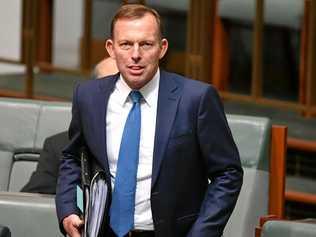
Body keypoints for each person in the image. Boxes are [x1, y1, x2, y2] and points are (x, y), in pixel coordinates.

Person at [56, 4, 243, 237]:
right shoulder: (88, 96)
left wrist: (202, 233)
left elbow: (228, 173)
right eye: (126, 44)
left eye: (146, 44)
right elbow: (71, 156)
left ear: (162, 48)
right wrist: (67, 210)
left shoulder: (195, 99)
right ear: (111, 49)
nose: (136, 54)